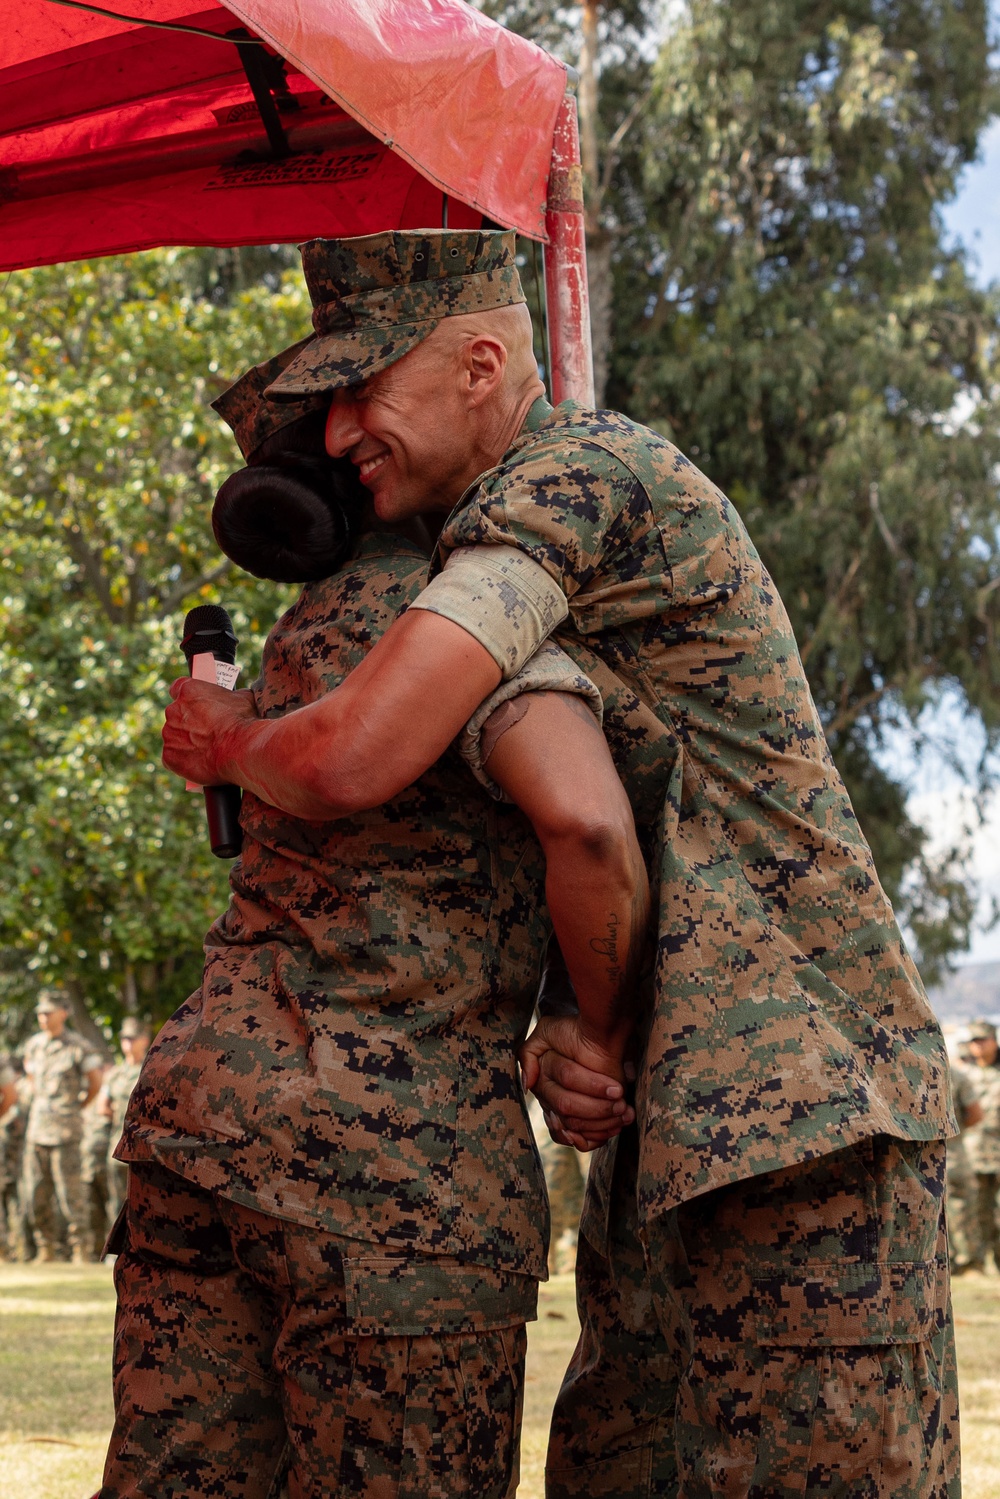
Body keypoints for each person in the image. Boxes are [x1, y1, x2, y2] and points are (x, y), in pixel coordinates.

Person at [163, 228, 959, 1496]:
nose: (333, 433)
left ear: (482, 361)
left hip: (808, 1125)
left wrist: (226, 743)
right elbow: (610, 819)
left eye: (363, 386)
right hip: (687, 1126)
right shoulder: (514, 517)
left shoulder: (575, 473)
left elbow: (363, 752)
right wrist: (582, 1018)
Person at [104, 344, 647, 1499]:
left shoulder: (293, 645)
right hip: (395, 1178)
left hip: (197, 1134)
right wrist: (591, 1023)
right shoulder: (466, 631)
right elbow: (591, 827)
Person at [21, 989, 103, 1265]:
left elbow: (95, 1083)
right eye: (40, 1013)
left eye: (48, 1012)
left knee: (71, 1195)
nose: (43, 1017)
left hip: (67, 1131)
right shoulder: (33, 1045)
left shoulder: (78, 1046)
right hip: (37, 1130)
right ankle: (46, 1248)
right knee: (36, 1193)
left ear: (63, 1013)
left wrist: (76, 1108)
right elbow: (31, 1077)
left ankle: (80, 1249)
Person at [98, 1018, 150, 1225]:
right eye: (124, 1038)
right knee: (117, 1201)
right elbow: (102, 1106)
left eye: (133, 1038)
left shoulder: (152, 1070)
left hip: (143, 1150)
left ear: (144, 1040)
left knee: (144, 1200)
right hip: (117, 1144)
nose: (128, 1043)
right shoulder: (114, 1074)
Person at [963, 1018, 1000, 1274]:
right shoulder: (965, 1073)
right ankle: (979, 1262)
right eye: (974, 1041)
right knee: (978, 1212)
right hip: (974, 1154)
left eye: (982, 1040)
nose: (977, 1045)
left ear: (994, 1040)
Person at [80, 1070, 113, 1261]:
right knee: (91, 1209)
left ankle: (111, 1252)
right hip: (87, 1164)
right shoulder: (81, 1098)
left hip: (107, 1162)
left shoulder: (112, 1097)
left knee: (112, 1206)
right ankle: (94, 1251)